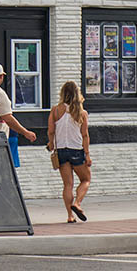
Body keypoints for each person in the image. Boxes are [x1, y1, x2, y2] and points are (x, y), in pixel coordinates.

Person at [48, 80, 91, 223]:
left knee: (68, 185)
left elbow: (51, 131)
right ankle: (77, 203)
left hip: (61, 151)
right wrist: (87, 155)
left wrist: (51, 144)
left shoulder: (55, 110)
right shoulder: (82, 113)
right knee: (85, 179)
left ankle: (70, 216)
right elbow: (85, 135)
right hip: (76, 150)